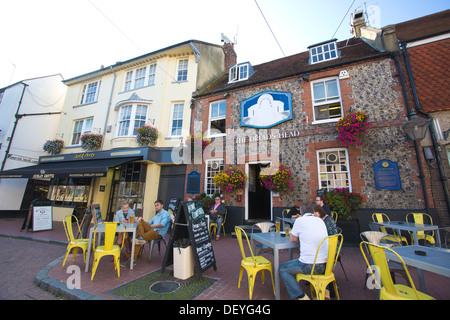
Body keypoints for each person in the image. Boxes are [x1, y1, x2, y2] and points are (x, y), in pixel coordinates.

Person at [279, 203, 329, 300]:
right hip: (325, 265)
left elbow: (292, 239)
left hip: (310, 265)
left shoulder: (300, 220)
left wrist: (301, 238)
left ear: (301, 212)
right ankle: (324, 292)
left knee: (282, 269)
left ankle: (301, 297)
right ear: (313, 211)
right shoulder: (320, 221)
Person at [122, 200, 171, 267]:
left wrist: (153, 226)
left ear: (162, 205)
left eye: (158, 205)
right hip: (152, 229)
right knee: (140, 222)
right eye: (155, 205)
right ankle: (141, 237)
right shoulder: (157, 214)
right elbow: (149, 223)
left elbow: (162, 224)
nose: (156, 207)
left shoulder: (165, 213)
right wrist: (143, 221)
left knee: (137, 240)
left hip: (158, 232)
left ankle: (132, 260)